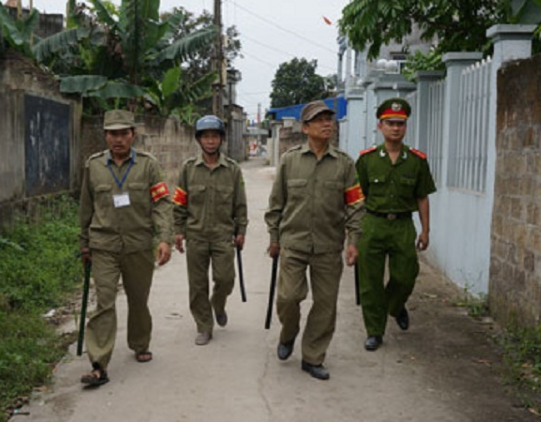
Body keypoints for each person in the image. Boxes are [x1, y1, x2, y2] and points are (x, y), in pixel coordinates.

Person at [264, 100, 365, 380]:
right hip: (293, 244)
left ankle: (312, 356)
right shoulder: (290, 161)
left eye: (328, 119)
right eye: (319, 120)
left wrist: (353, 240)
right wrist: (274, 237)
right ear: (305, 128)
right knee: (287, 298)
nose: (326, 124)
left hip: (328, 246)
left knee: (325, 304)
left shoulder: (344, 164)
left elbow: (355, 205)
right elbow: (276, 204)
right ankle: (288, 333)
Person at [78, 109, 173, 387]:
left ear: (132, 134)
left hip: (138, 245)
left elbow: (162, 203)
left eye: (123, 133)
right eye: (112, 133)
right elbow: (86, 207)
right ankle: (98, 363)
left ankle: (140, 342)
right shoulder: (93, 165)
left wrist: (164, 238)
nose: (118, 139)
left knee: (138, 299)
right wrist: (84, 243)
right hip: (104, 245)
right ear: (105, 135)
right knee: (104, 302)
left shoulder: (148, 165)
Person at [355, 98, 437, 351]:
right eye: (390, 123)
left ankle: (394, 305)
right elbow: (358, 198)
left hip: (402, 224)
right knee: (370, 280)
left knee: (406, 274)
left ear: (405, 127)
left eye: (400, 124)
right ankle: (374, 331)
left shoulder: (416, 160)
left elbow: (422, 196)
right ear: (380, 126)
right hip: (373, 224)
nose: (395, 128)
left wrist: (425, 229)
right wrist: (354, 234)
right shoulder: (367, 160)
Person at [172, 115, 248, 346]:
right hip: (196, 235)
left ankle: (218, 304)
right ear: (199, 140)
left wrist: (241, 230)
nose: (211, 141)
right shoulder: (188, 169)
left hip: (223, 235)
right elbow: (180, 202)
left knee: (226, 279)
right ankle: (204, 326)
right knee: (197, 285)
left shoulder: (232, 170)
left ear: (221, 139)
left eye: (215, 136)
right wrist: (178, 230)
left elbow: (240, 203)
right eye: (206, 137)